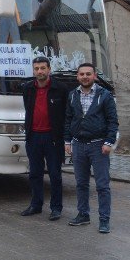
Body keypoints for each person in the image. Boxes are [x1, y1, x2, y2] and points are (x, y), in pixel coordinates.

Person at [64, 63, 119, 233]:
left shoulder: (105, 95)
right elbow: (68, 119)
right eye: (82, 74)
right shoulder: (73, 95)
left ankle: (104, 220)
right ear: (77, 77)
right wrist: (67, 141)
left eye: (88, 74)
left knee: (102, 185)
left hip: (99, 146)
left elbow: (113, 121)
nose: (85, 77)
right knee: (81, 183)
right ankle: (83, 215)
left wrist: (108, 142)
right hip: (79, 145)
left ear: (94, 76)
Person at [20, 56, 68, 220]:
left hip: (52, 138)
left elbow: (65, 115)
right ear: (33, 71)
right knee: (34, 174)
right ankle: (36, 205)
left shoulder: (60, 89)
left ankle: (56, 208)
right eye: (36, 68)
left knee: (55, 174)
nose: (39, 71)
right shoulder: (28, 88)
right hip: (33, 136)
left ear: (49, 69)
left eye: (42, 68)